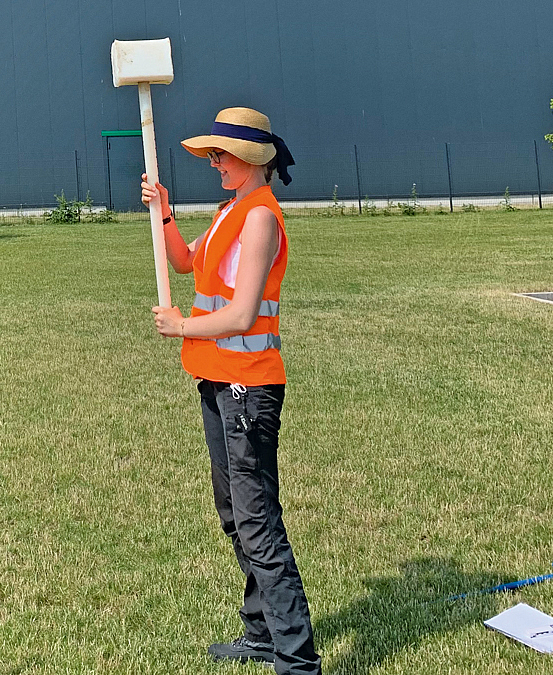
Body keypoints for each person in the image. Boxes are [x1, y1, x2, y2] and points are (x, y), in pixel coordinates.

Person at [141, 107, 320, 674]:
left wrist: (181, 327)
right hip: (217, 383)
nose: (214, 162)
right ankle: (262, 632)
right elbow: (188, 263)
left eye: (221, 153)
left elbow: (242, 314)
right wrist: (164, 215)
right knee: (233, 512)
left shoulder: (261, 216)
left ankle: (297, 662)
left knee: (257, 523)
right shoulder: (230, 211)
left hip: (249, 389)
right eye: (212, 153)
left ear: (249, 159)